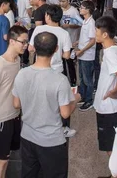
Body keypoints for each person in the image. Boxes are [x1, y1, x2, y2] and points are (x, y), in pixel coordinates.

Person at [12, 32, 81, 178]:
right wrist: (75, 99)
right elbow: (65, 113)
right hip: (51, 141)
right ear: (56, 49)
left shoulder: (22, 74)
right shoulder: (60, 80)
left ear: (34, 48)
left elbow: (16, 104)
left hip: (27, 137)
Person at [0, 25, 28, 178]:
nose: (26, 45)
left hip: (14, 114)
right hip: (1, 118)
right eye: (23, 42)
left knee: (7, 156)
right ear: (12, 41)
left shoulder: (17, 60)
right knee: (1, 160)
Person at [28, 5, 76, 137]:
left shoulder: (39, 29)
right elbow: (67, 56)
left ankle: (39, 125)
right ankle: (62, 128)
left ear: (48, 17)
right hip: (57, 72)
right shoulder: (64, 33)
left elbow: (30, 49)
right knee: (59, 100)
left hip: (39, 70)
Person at [93, 16, 117, 173]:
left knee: (111, 147)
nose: (94, 33)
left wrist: (112, 92)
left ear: (105, 34)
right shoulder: (114, 48)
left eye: (96, 30)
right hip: (109, 108)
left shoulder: (110, 54)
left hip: (108, 108)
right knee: (112, 144)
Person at [74, 0, 97, 111]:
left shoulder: (91, 23)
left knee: (87, 79)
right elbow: (86, 37)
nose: (80, 9)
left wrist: (82, 50)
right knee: (82, 78)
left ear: (87, 10)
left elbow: (93, 40)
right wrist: (77, 42)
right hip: (82, 54)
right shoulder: (85, 21)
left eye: (82, 8)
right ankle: (83, 96)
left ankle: (89, 100)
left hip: (87, 55)